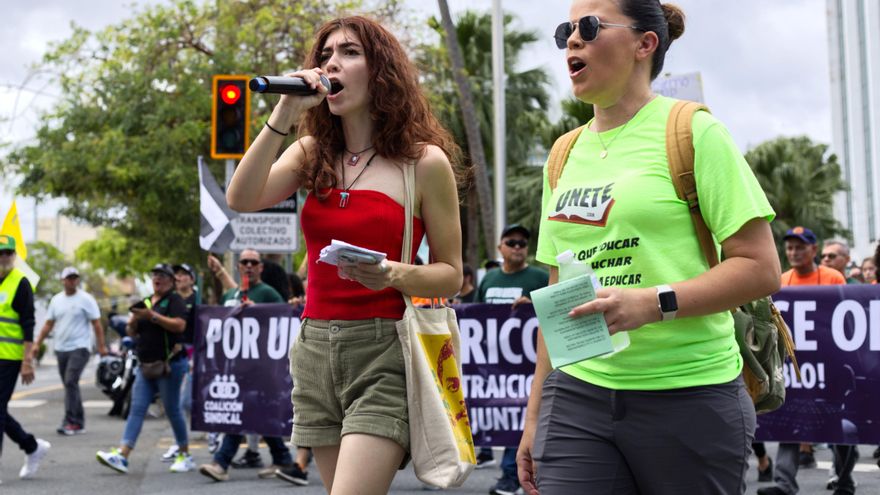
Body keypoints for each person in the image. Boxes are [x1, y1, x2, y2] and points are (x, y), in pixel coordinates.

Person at [518, 2, 781, 494]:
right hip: (579, 397)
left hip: (691, 396)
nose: (573, 40)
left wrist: (653, 303)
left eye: (590, 27)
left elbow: (761, 268)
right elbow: (558, 292)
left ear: (645, 44)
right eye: (566, 30)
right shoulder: (562, 154)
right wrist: (536, 413)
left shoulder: (693, 131)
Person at [224, 15, 463, 495]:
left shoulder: (424, 162)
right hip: (313, 348)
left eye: (349, 53)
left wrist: (393, 273)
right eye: (326, 56)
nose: (332, 64)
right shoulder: (311, 152)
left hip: (384, 349)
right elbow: (241, 197)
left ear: (382, 71)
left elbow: (451, 274)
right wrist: (286, 113)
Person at [758, 226, 851, 495]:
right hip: (797, 365)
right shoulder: (781, 279)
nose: (794, 252)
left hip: (829, 364)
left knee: (836, 423)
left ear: (814, 249)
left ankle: (844, 481)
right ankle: (784, 484)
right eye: (790, 247)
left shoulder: (833, 278)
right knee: (791, 418)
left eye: (800, 247)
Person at [199, 249, 304, 484]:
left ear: (260, 267)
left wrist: (259, 311)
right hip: (235, 366)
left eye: (253, 262)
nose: (248, 265)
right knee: (255, 411)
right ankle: (283, 458)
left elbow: (284, 318)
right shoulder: (232, 294)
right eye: (244, 262)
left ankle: (221, 462)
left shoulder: (267, 292)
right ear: (239, 266)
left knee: (241, 411)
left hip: (261, 366)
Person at [96, 263, 193, 474]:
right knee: (136, 409)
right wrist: (132, 322)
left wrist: (152, 317)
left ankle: (185, 454)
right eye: (155, 275)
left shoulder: (175, 300)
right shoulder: (148, 301)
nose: (157, 279)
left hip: (169, 365)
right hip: (145, 364)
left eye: (162, 275)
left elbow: (180, 325)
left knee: (172, 409)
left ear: (171, 281)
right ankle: (122, 455)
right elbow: (132, 331)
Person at [475, 225, 547, 495]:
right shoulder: (489, 279)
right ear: (500, 247)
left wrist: (534, 306)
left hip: (528, 365)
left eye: (523, 243)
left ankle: (510, 475)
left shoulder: (539, 277)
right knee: (505, 418)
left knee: (519, 418)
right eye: (512, 242)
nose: (518, 247)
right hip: (493, 367)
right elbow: (477, 315)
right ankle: (514, 474)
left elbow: (556, 309)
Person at [32, 266, 107, 436]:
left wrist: (101, 347)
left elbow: (96, 324)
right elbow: (48, 324)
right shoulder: (56, 300)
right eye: (69, 278)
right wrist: (37, 344)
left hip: (80, 347)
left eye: (75, 278)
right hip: (61, 348)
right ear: (63, 280)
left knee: (71, 381)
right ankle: (79, 422)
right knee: (69, 384)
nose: (72, 281)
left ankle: (71, 421)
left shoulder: (86, 299)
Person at [0, 235, 51, 481]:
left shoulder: (20, 283)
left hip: (9, 359)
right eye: (0, 253)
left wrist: (27, 361)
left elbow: (28, 324)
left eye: (8, 253)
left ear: (14, 256)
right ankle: (31, 446)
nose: (4, 257)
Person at [160, 263, 200, 463]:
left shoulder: (197, 299)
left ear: (192, 279)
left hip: (195, 354)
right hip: (175, 355)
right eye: (177, 275)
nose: (180, 278)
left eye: (184, 275)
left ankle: (213, 435)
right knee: (176, 403)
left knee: (187, 401)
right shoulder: (171, 301)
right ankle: (179, 443)